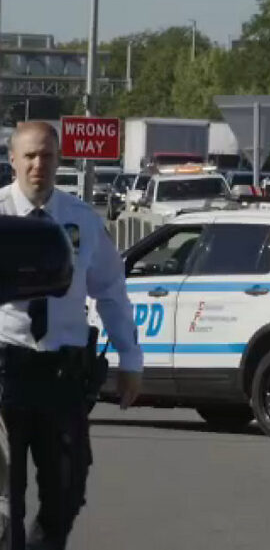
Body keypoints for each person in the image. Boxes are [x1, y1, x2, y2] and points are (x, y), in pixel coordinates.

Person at [0, 121, 143, 549]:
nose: (37, 165)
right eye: (28, 156)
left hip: (61, 376)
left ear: (59, 160)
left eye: (46, 155)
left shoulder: (81, 221)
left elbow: (111, 292)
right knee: (6, 503)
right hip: (5, 370)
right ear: (12, 160)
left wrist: (130, 360)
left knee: (65, 495)